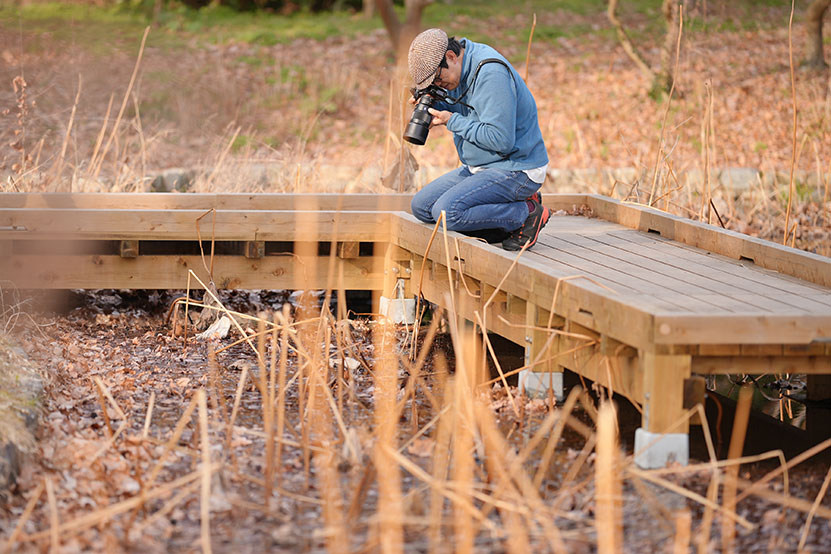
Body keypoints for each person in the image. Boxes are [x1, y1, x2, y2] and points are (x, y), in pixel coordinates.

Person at [407, 28, 550, 251]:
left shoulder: (490, 74)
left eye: (437, 78)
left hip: (516, 168)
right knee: (422, 207)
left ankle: (526, 212)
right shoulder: (456, 74)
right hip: (480, 167)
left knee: (446, 214)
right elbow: (464, 107)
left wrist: (451, 121)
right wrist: (433, 103)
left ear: (451, 57)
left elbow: (501, 140)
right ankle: (502, 221)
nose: (439, 83)